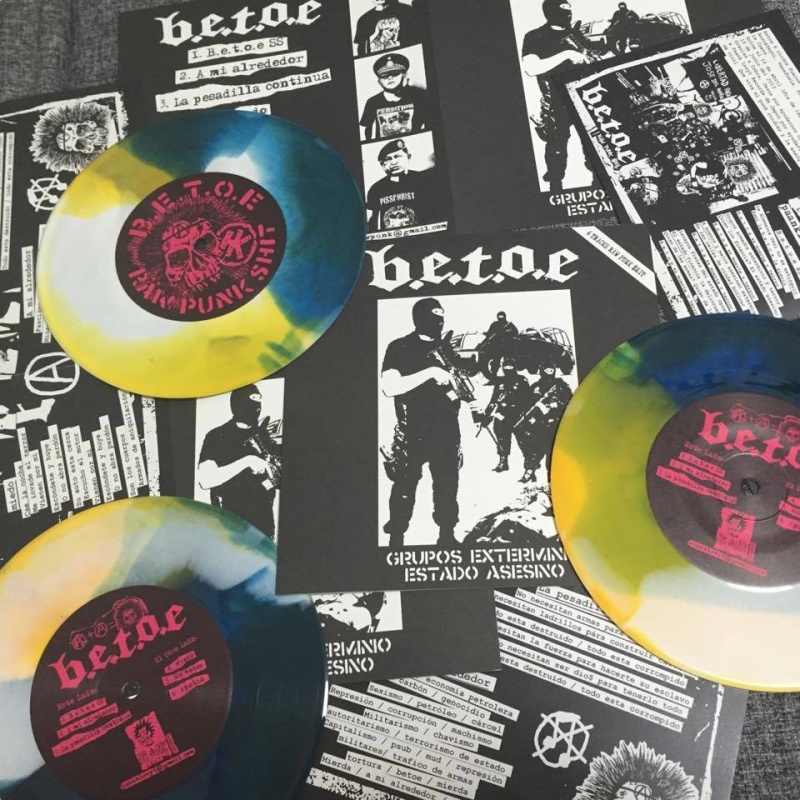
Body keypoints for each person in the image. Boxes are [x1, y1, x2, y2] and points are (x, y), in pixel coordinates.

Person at [381, 297, 478, 548]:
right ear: (420, 318)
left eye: (442, 317)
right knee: (404, 485)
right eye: (434, 317)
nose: (439, 322)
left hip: (447, 430)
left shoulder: (446, 349)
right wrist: (431, 373)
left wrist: (469, 400)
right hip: (413, 429)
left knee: (447, 486)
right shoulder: (399, 347)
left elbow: (459, 383)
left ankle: (446, 535)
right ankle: (396, 538)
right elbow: (389, 387)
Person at [521, 0, 605, 192]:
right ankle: (555, 187)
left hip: (587, 96)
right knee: (557, 145)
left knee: (594, 142)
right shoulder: (535, 36)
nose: (568, 15)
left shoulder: (575, 34)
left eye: (569, 11)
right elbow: (531, 68)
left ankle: (598, 184)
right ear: (550, 13)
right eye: (563, 11)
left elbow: (591, 54)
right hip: (556, 99)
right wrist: (567, 54)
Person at [197, 384, 280, 540]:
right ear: (238, 403)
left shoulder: (264, 436)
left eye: (259, 400)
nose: (257, 407)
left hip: (264, 531)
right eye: (252, 400)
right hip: (229, 530)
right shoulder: (217, 436)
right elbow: (206, 479)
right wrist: (248, 461)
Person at [514, 359, 572, 482]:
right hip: (537, 422)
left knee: (551, 450)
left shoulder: (561, 385)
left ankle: (552, 476)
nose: (549, 372)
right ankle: (530, 470)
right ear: (541, 371)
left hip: (554, 422)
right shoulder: (535, 386)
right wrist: (527, 415)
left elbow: (569, 402)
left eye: (551, 370)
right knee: (532, 446)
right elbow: (526, 403)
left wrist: (554, 406)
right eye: (546, 370)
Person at [366, 138, 438, 232]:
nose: (394, 162)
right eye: (388, 159)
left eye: (397, 156)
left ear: (408, 157)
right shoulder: (376, 189)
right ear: (382, 165)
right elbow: (372, 222)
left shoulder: (424, 180)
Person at [360, 53, 431, 142]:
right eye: (384, 75)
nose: (390, 77)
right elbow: (366, 131)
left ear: (404, 75)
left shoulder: (418, 97)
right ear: (379, 81)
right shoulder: (372, 102)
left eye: (395, 73)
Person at [479, 360, 531, 474]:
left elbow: (528, 399)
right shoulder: (500, 381)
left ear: (515, 367)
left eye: (511, 367)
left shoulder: (521, 380)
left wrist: (524, 413)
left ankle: (529, 464)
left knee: (523, 440)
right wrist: (487, 416)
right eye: (506, 367)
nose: (508, 369)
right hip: (502, 415)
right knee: (502, 438)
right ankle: (503, 461)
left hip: (517, 415)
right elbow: (494, 400)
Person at [353, 0, 421, 57]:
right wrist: (376, 33)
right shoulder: (364, 20)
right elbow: (362, 51)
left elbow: (416, 42)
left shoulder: (406, 11)